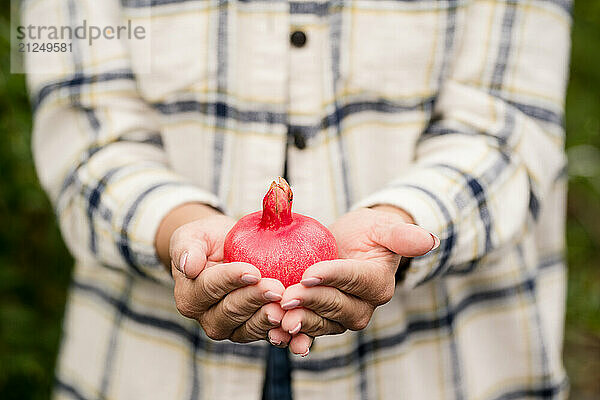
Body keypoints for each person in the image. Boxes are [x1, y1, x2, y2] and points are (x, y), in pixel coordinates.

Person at [25, 0, 572, 398]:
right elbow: (83, 137)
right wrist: (181, 230)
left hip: (440, 366)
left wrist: (399, 225)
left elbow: (509, 129)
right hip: (149, 367)